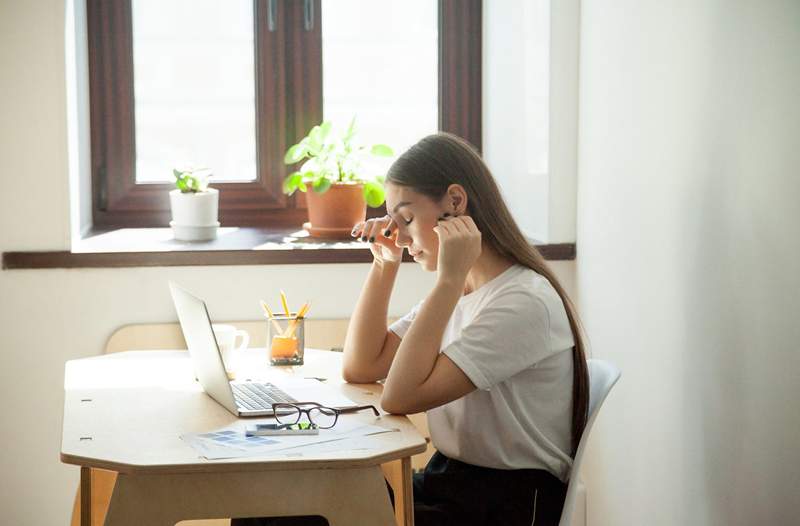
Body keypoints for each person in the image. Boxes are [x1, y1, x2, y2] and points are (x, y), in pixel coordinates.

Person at [233, 132, 589, 526]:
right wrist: (385, 265)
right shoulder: (466, 288)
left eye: (406, 218)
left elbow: (399, 396)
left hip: (503, 504)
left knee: (287, 517)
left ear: (455, 202)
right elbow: (363, 365)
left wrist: (448, 282)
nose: (399, 234)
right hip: (447, 483)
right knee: (267, 506)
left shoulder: (521, 302)